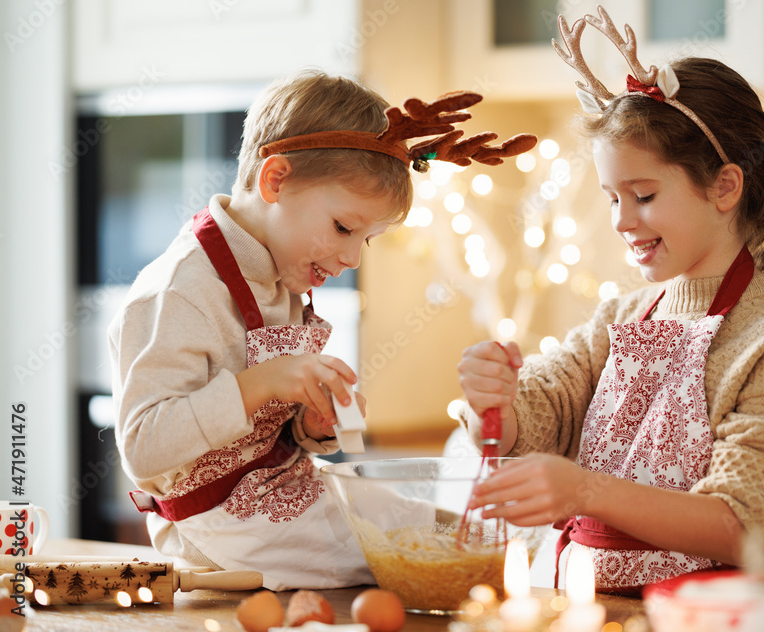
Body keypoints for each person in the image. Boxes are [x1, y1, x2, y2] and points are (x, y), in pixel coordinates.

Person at [458, 8, 764, 594]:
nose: (621, 220)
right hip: (588, 602)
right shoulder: (622, 316)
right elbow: (545, 414)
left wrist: (583, 490)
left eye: (642, 195)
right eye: (611, 198)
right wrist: (494, 398)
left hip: (702, 610)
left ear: (725, 186)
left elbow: (744, 522)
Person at [109, 70, 535, 590]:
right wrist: (265, 382)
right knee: (410, 562)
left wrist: (311, 426)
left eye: (368, 240)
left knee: (440, 527)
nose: (352, 257)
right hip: (220, 525)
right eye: (343, 228)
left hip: (284, 489)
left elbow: (266, 437)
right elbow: (144, 446)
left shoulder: (281, 272)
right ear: (275, 180)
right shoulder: (180, 292)